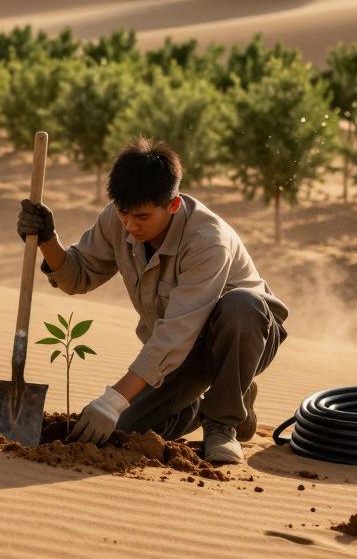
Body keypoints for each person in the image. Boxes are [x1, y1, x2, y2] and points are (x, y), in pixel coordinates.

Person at [16, 136, 289, 464]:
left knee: (241, 305)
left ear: (172, 205)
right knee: (125, 431)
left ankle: (223, 423)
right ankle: (222, 400)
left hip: (244, 336)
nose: (130, 226)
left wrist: (113, 398)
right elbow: (77, 276)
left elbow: (177, 332)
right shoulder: (118, 220)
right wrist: (47, 239)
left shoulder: (207, 241)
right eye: (124, 213)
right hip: (177, 354)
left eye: (142, 217)